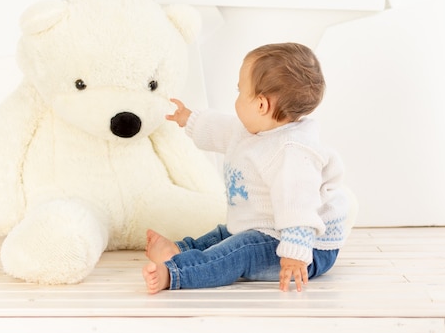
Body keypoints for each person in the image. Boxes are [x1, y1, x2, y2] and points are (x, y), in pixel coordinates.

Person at [142, 42, 350, 294]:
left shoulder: (293, 153)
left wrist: (296, 253)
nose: (236, 98)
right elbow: (222, 128)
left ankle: (175, 272)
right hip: (265, 228)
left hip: (304, 246)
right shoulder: (254, 130)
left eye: (240, 91)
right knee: (225, 234)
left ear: (261, 105)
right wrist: (190, 119)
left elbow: (299, 206)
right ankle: (180, 251)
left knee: (240, 251)